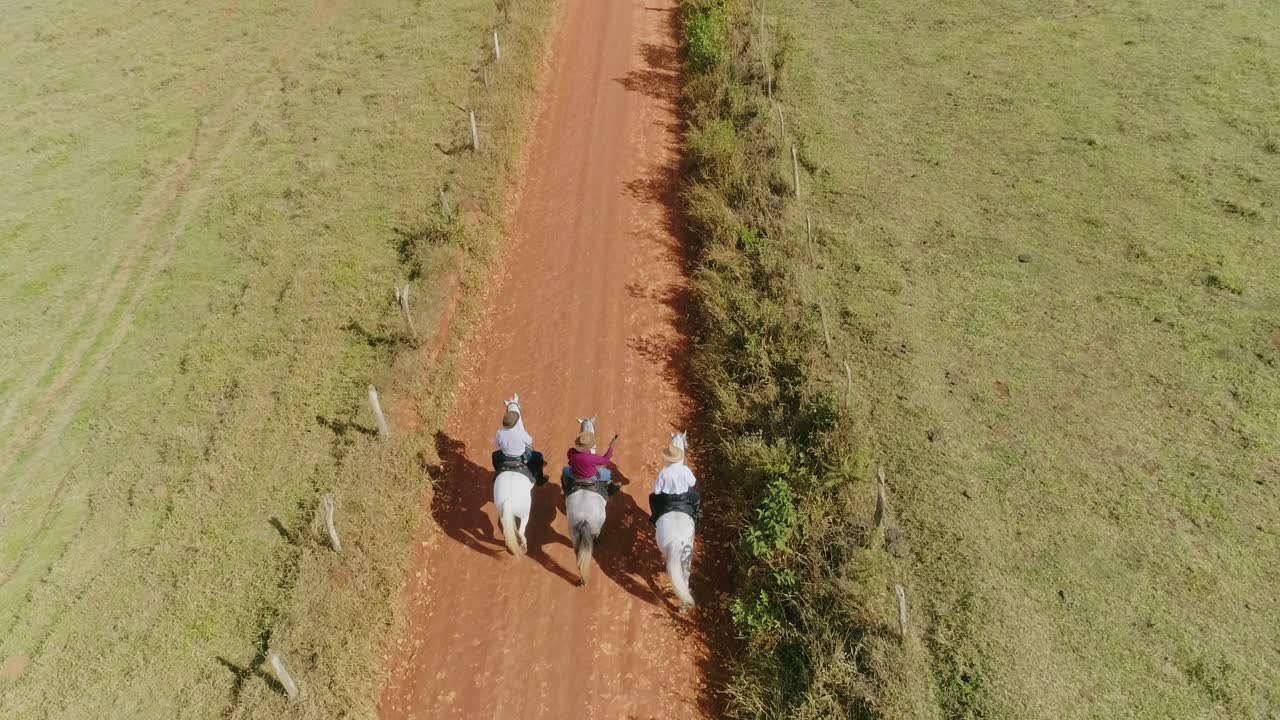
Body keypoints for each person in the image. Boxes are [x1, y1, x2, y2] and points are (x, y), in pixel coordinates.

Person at [649, 443, 702, 524]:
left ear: (668, 459)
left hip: (667, 499)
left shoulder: (664, 472)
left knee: (652, 497)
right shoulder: (685, 469)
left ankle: (654, 517)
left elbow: (656, 491)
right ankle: (696, 515)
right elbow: (692, 483)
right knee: (696, 496)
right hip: (683, 498)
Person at [492, 409, 548, 485]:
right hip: (522, 458)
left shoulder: (499, 433)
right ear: (515, 423)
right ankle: (539, 479)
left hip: (504, 457)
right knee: (539, 456)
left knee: (494, 455)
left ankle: (498, 471)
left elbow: (496, 446)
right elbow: (530, 441)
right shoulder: (521, 433)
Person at [563, 431, 620, 495]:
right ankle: (610, 490)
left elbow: (570, 462)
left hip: (575, 475)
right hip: (591, 477)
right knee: (608, 474)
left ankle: (566, 488)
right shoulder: (592, 458)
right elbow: (605, 460)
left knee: (564, 470)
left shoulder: (571, 451)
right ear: (589, 446)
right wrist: (611, 447)